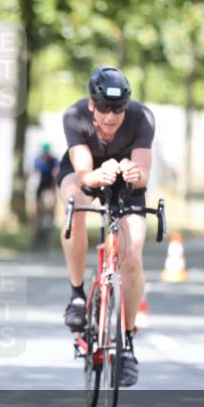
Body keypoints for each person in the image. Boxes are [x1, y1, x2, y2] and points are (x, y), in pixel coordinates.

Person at [58, 66, 155, 387]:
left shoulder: (142, 118)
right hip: (87, 172)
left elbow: (144, 173)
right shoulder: (74, 116)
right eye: (104, 109)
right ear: (91, 105)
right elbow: (84, 171)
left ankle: (126, 343)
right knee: (75, 205)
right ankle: (76, 294)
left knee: (132, 254)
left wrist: (132, 172)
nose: (111, 117)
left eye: (118, 110)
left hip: (126, 179)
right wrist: (95, 176)